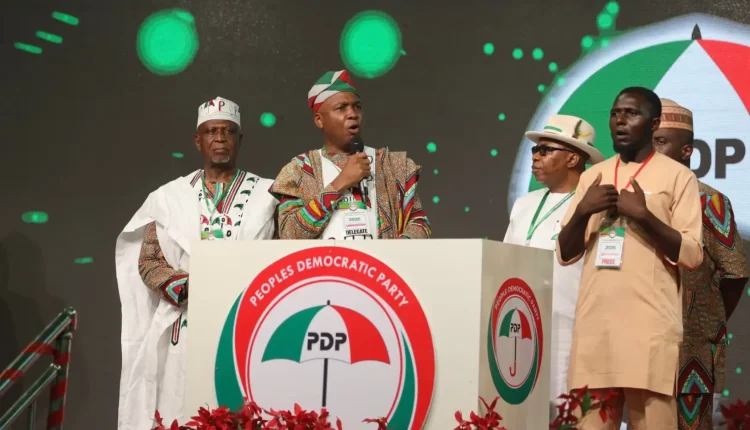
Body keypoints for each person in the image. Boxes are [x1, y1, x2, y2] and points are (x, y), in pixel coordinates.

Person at [115, 97, 278, 429]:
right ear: (198, 141)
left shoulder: (268, 195)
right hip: (186, 325)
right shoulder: (168, 197)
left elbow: (280, 254)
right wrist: (193, 287)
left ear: (240, 140)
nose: (219, 138)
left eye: (228, 131)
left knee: (243, 413)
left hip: (244, 323)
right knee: (183, 410)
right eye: (211, 131)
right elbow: (149, 261)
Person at [556, 87, 704, 429]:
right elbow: (565, 252)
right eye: (615, 113)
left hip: (649, 329)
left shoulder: (678, 176)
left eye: (631, 114)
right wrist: (583, 211)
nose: (620, 121)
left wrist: (644, 216)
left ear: (654, 125)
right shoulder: (592, 176)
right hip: (596, 328)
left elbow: (692, 254)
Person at [652, 99, 748, 430]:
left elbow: (736, 273)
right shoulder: (633, 200)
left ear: (687, 151)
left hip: (690, 347)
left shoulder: (709, 200)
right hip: (641, 344)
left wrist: (706, 317)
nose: (651, 149)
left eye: (660, 141)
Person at [504, 114, 604, 413]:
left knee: (565, 412)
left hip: (569, 326)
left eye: (545, 150)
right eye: (535, 149)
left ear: (573, 158)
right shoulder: (524, 204)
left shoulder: (594, 205)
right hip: (521, 325)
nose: (535, 156)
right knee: (521, 411)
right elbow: (504, 259)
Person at [269, 70, 430, 240]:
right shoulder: (300, 170)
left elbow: (419, 223)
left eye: (357, 106)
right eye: (341, 108)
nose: (353, 114)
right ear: (319, 120)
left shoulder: (390, 165)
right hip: (325, 258)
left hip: (378, 258)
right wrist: (339, 184)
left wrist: (394, 251)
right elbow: (288, 234)